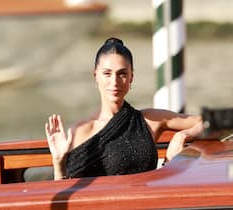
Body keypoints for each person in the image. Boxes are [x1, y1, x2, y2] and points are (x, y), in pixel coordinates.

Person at [45, 37, 203, 180]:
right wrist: (58, 162)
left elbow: (211, 121)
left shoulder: (150, 119)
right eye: (107, 73)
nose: (115, 82)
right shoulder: (80, 131)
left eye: (122, 74)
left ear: (131, 77)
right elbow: (66, 193)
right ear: (96, 76)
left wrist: (182, 136)